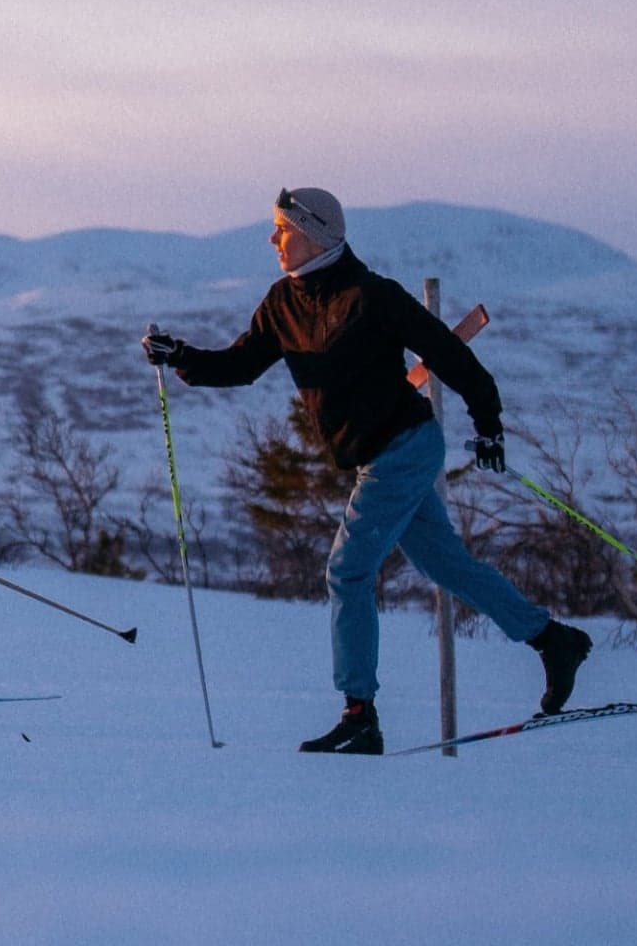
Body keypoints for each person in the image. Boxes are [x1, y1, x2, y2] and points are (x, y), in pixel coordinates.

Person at [145, 186, 593, 755]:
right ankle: (553, 639)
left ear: (315, 233)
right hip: (373, 458)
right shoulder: (283, 303)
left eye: (282, 229)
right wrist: (180, 356)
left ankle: (359, 713)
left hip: (403, 448)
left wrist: (488, 425)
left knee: (348, 571)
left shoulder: (373, 296)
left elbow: (451, 357)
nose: (272, 239)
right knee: (447, 566)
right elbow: (239, 366)